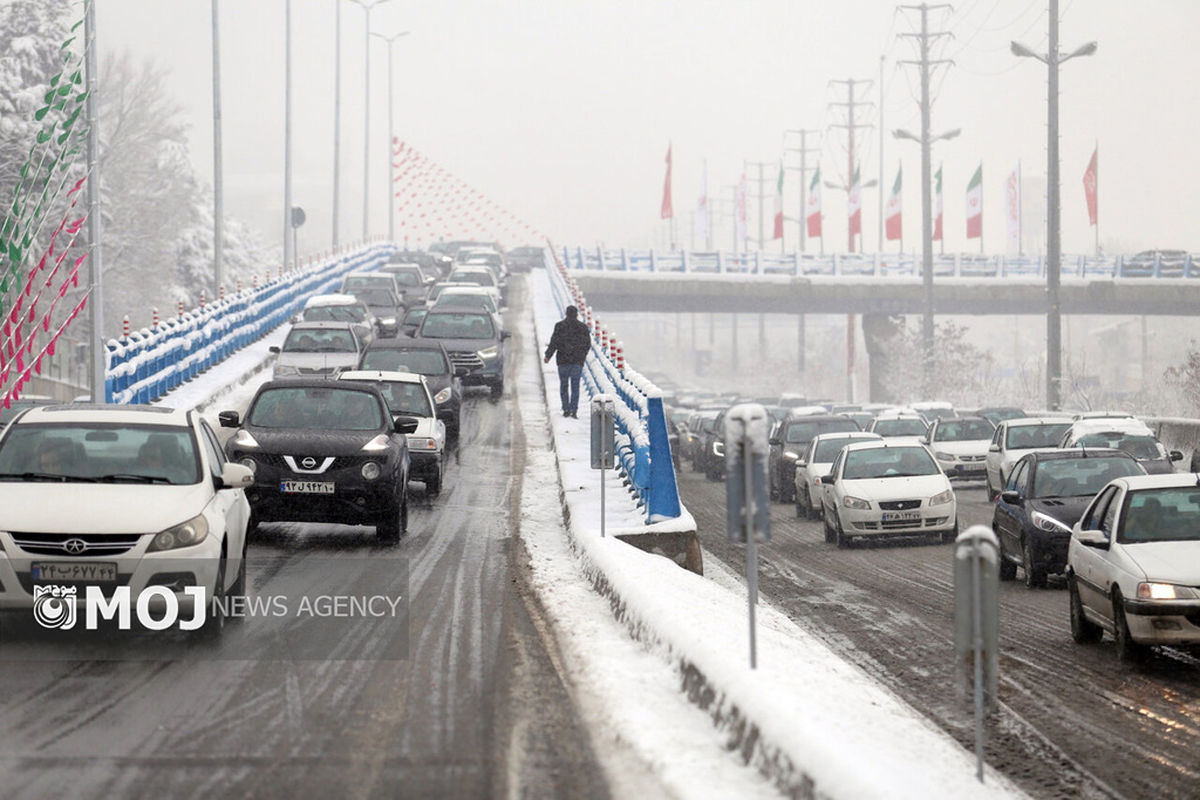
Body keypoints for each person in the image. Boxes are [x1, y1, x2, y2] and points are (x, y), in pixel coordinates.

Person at [543, 305, 591, 418]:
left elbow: (554, 342)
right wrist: (582, 357)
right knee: (575, 387)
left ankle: (566, 409)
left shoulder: (559, 326)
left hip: (563, 361)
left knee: (564, 386)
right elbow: (587, 345)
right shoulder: (583, 327)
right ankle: (574, 410)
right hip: (577, 362)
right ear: (577, 314)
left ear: (566, 314)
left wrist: (548, 356)